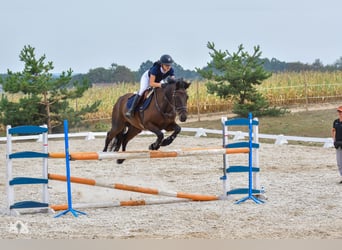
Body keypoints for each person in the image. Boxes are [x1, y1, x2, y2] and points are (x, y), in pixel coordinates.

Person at [125, 54, 175, 118]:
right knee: (142, 91)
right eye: (166, 65)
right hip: (147, 79)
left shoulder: (170, 69)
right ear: (162, 64)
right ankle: (131, 110)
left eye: (170, 65)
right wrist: (162, 85)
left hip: (159, 79)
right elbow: (151, 83)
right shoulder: (155, 69)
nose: (168, 67)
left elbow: (173, 80)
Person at [332, 105, 342, 184]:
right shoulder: (336, 122)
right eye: (339, 111)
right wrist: (334, 141)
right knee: (339, 162)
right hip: (338, 144)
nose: (340, 113)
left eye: (341, 112)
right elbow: (333, 131)